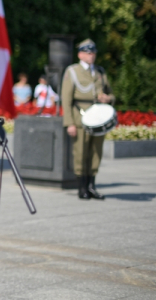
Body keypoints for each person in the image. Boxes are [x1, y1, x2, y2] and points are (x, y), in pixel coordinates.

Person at [61, 39, 114, 200]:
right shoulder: (73, 72)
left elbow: (112, 94)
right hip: (80, 118)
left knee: (95, 153)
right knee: (81, 153)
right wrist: (69, 123)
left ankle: (92, 186)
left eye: (93, 53)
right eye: (88, 53)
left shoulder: (100, 72)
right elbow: (66, 99)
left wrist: (108, 98)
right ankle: (82, 187)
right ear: (80, 54)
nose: (92, 56)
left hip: (99, 118)